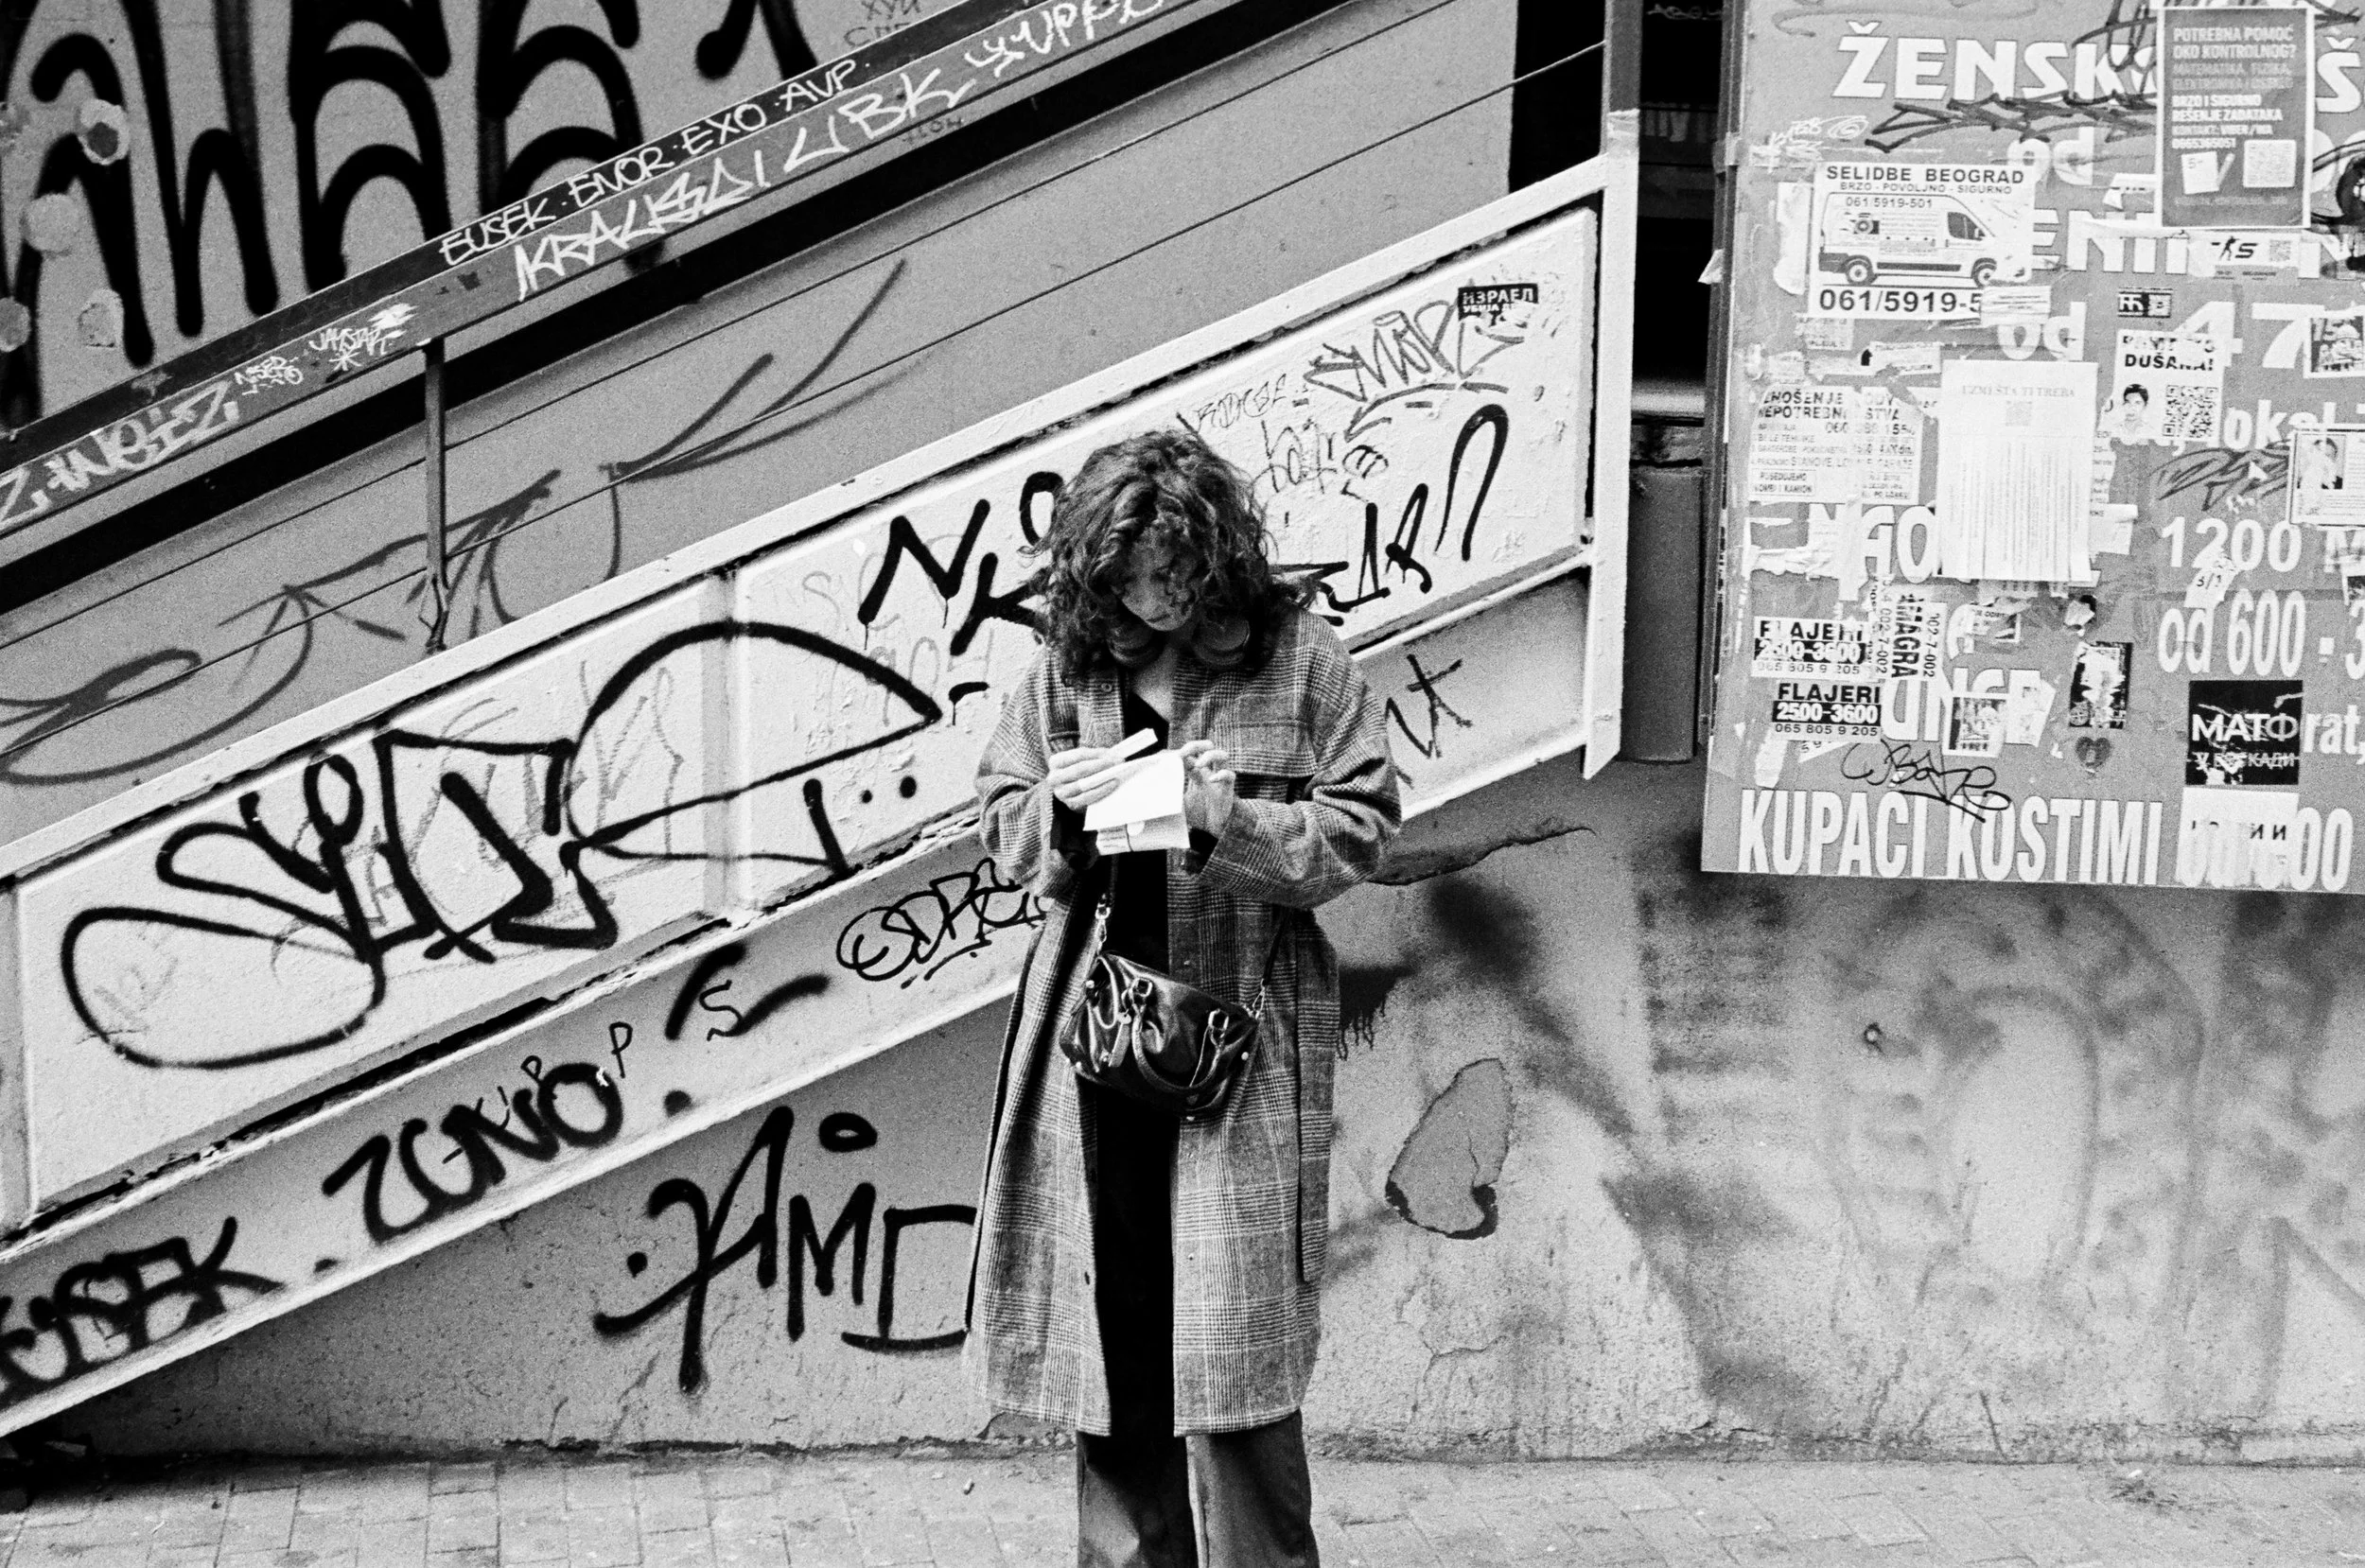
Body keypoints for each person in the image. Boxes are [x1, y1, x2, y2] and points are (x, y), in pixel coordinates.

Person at [968, 427, 1400, 1566]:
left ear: (1211, 556)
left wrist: (1229, 820)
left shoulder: (1299, 662)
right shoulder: (1068, 666)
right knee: (1118, 1340)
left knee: (1237, 1342)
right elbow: (1002, 824)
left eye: (1165, 578)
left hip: (1241, 1035)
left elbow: (1359, 830)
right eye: (1118, 582)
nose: (1144, 606)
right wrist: (1059, 811)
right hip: (1097, 1045)